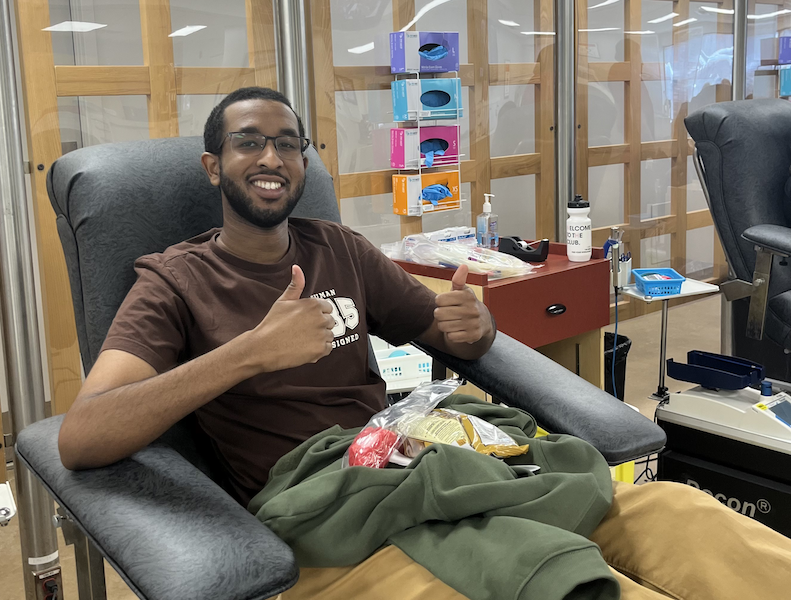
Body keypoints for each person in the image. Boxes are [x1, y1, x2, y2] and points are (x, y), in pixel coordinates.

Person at [58, 87, 791, 600]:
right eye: (248, 143)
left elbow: (444, 329)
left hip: (422, 451)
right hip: (331, 508)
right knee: (564, 577)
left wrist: (476, 325)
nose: (272, 158)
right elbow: (85, 433)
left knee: (684, 520)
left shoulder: (337, 248)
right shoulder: (174, 281)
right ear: (213, 167)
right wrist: (249, 352)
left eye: (289, 144)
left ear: (305, 166)